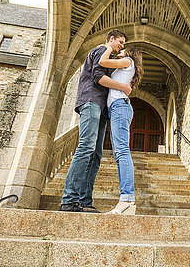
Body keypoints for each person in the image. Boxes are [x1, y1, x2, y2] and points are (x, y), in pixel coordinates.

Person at [59, 29, 131, 213]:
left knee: (96, 154)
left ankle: (84, 201)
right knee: (86, 147)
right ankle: (70, 199)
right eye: (120, 42)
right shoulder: (101, 50)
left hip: (101, 108)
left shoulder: (109, 55)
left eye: (123, 44)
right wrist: (123, 87)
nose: (121, 46)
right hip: (91, 101)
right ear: (111, 39)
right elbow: (98, 77)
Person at [98, 44, 143, 215]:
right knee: (120, 152)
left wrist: (108, 47)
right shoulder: (127, 64)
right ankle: (127, 198)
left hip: (120, 107)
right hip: (117, 107)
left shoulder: (127, 61)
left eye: (123, 49)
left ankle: (127, 199)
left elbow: (103, 61)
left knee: (122, 151)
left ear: (129, 53)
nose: (120, 51)